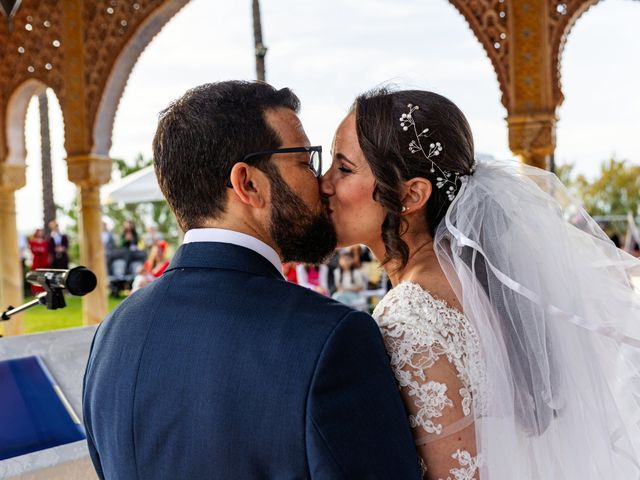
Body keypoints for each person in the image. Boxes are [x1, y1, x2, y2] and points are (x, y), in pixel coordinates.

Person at [83, 81, 421, 479]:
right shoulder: (330, 338)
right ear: (248, 184)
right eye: (305, 162)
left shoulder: (112, 334)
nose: (322, 183)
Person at [321, 88, 640, 479]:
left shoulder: (410, 315)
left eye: (344, 168)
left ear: (412, 194)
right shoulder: (484, 285)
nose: (324, 184)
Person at [28, 228, 49, 294]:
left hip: (43, 261)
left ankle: (44, 290)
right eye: (39, 232)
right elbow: (33, 250)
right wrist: (40, 250)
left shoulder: (44, 242)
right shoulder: (32, 241)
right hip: (36, 261)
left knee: (43, 275)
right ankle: (36, 290)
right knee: (36, 275)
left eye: (41, 232)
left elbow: (46, 251)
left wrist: (40, 250)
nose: (40, 233)